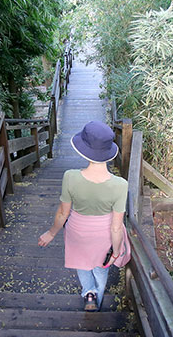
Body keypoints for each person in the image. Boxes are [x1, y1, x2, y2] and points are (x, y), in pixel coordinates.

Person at [37, 120, 131, 312]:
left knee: (83, 263)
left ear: (83, 150)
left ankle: (88, 292)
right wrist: (115, 251)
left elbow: (63, 212)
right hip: (103, 235)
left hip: (77, 231)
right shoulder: (120, 185)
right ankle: (98, 295)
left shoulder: (70, 177)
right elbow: (116, 226)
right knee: (101, 267)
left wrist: (51, 233)